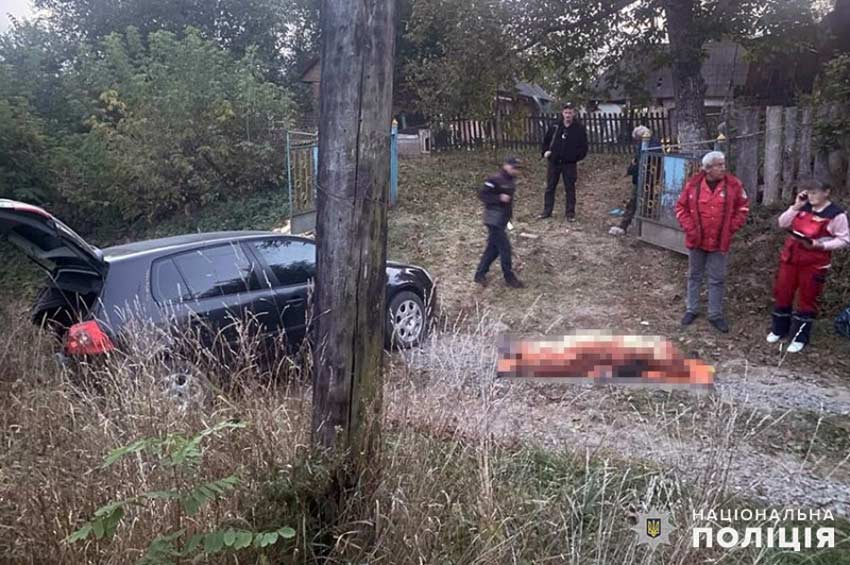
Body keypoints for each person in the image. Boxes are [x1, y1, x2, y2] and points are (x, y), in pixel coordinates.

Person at [767, 180, 849, 352]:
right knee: (783, 292)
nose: (811, 196)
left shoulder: (836, 214)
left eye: (815, 193)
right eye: (809, 192)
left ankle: (799, 337)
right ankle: (779, 329)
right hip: (790, 258)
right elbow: (782, 223)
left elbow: (844, 239)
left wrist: (821, 245)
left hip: (814, 262)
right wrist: (795, 206)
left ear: (826, 192)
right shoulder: (802, 207)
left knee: (807, 298)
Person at [675, 151, 749, 333]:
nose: (723, 168)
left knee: (717, 278)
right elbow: (680, 207)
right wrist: (690, 228)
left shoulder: (733, 185)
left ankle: (715, 314)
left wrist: (731, 227)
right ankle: (692, 309)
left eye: (723, 164)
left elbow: (743, 208)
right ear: (707, 169)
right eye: (718, 165)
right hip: (696, 239)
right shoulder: (693, 184)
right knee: (694, 275)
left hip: (719, 241)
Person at [474, 156, 525, 289]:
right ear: (506, 165)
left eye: (518, 168)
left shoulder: (511, 180)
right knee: (505, 249)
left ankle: (480, 274)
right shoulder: (494, 179)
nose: (516, 171)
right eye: (514, 167)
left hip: (502, 220)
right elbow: (482, 195)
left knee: (493, 249)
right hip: (493, 220)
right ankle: (509, 277)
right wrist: (499, 198)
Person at [539, 103, 589, 222]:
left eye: (570, 113)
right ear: (562, 113)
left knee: (570, 188)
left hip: (569, 164)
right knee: (550, 187)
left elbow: (584, 148)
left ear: (574, 114)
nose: (568, 115)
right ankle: (547, 211)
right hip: (554, 162)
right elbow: (546, 141)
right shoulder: (555, 126)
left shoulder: (579, 128)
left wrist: (574, 158)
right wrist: (545, 152)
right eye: (566, 112)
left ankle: (570, 213)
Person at [609, 125, 661, 236]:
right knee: (645, 202)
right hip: (650, 178)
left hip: (646, 179)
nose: (636, 142)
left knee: (635, 202)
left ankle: (625, 226)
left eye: (637, 139)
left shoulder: (648, 145)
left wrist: (630, 170)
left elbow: (639, 161)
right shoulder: (655, 143)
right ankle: (645, 229)